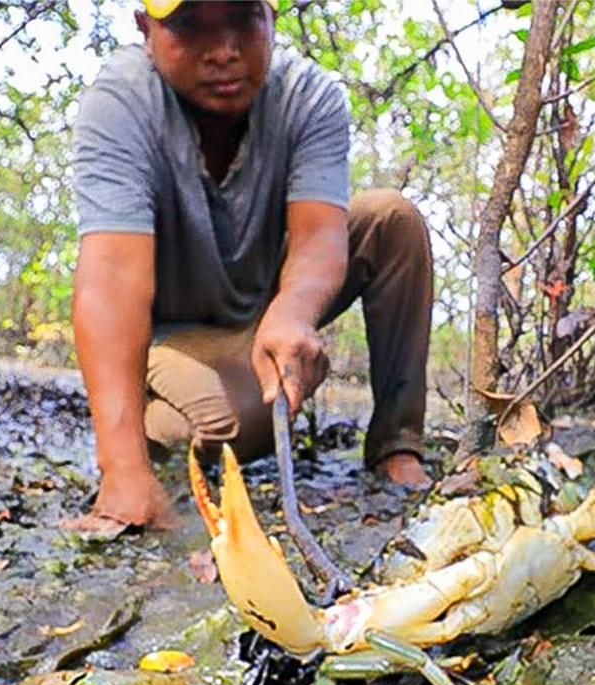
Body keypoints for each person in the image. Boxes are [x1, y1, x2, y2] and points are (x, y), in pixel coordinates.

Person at [64, 0, 434, 536]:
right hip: (174, 334)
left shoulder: (308, 96)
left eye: (242, 19)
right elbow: (113, 276)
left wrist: (293, 312)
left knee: (390, 218)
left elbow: (318, 235)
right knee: (232, 421)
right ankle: (148, 431)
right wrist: (120, 467)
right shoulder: (121, 103)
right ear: (146, 30)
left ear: (271, 16)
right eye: (191, 26)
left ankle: (397, 446)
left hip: (263, 307)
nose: (224, 52)